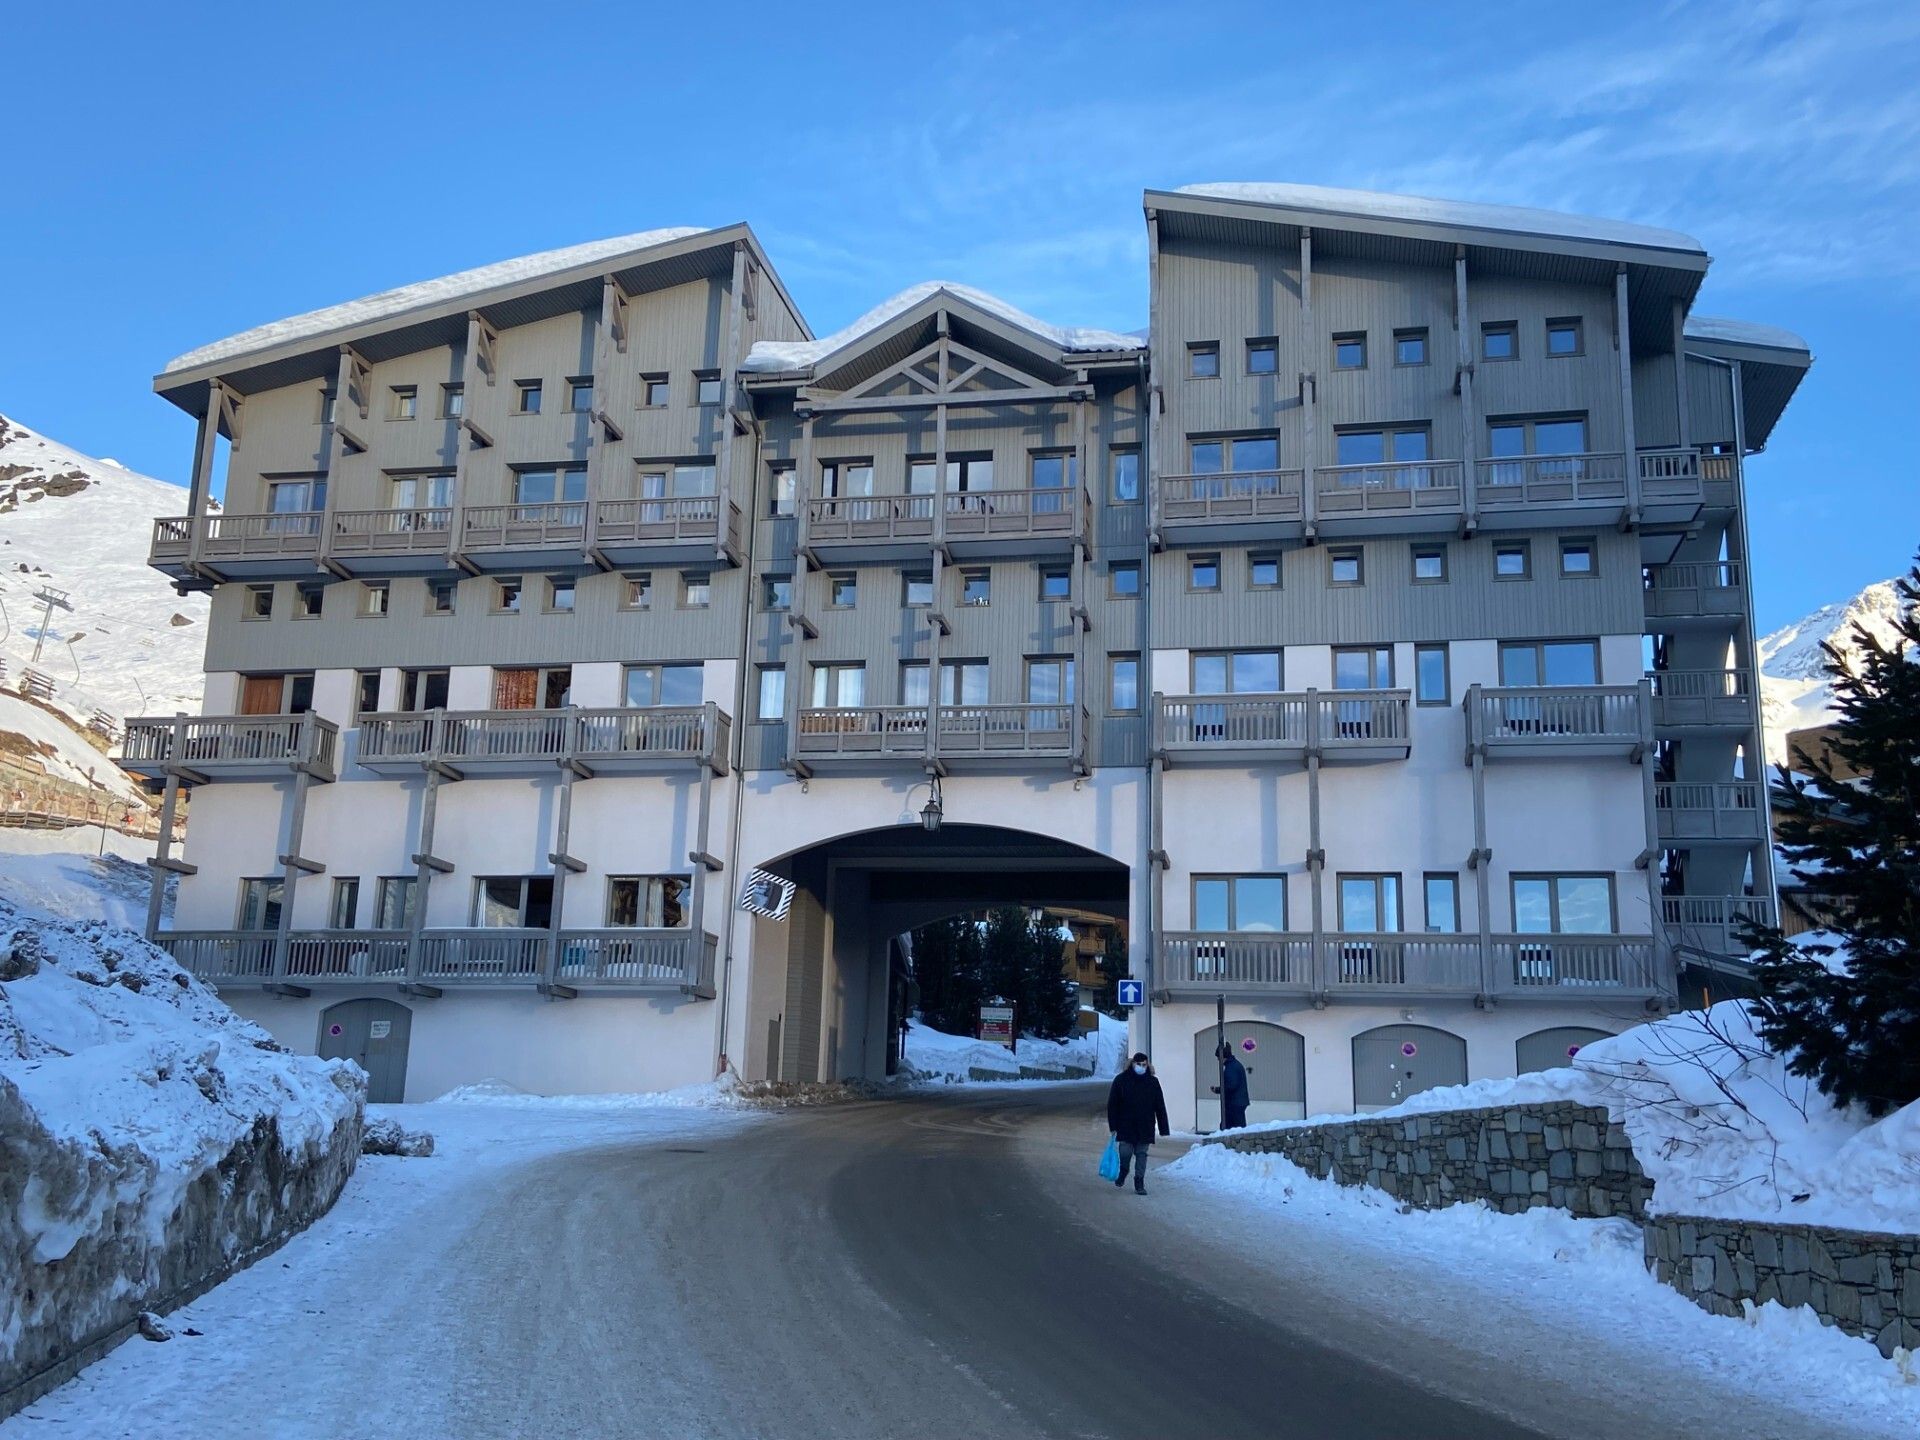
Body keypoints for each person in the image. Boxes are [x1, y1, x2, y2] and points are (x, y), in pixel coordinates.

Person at [1105, 1051, 1170, 1194]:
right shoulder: (1121, 1080)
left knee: (1142, 1154)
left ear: (1148, 1065)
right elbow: (1113, 1104)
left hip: (1145, 1125)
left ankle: (1139, 1182)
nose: (1141, 1067)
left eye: (1144, 1065)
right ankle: (1124, 1171)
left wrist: (1163, 1127)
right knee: (1125, 1152)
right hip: (1126, 1124)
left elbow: (1159, 1105)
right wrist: (1113, 1125)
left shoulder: (1153, 1082)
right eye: (1139, 1064)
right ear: (1132, 1064)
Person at [1212, 1044, 1250, 1130]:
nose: (1218, 1060)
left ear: (1223, 1056)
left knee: (1231, 1127)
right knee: (1235, 1127)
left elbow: (1231, 1086)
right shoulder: (1235, 1065)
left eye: (1218, 1057)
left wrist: (1218, 1089)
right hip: (1238, 1102)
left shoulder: (1231, 1068)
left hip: (1234, 1103)